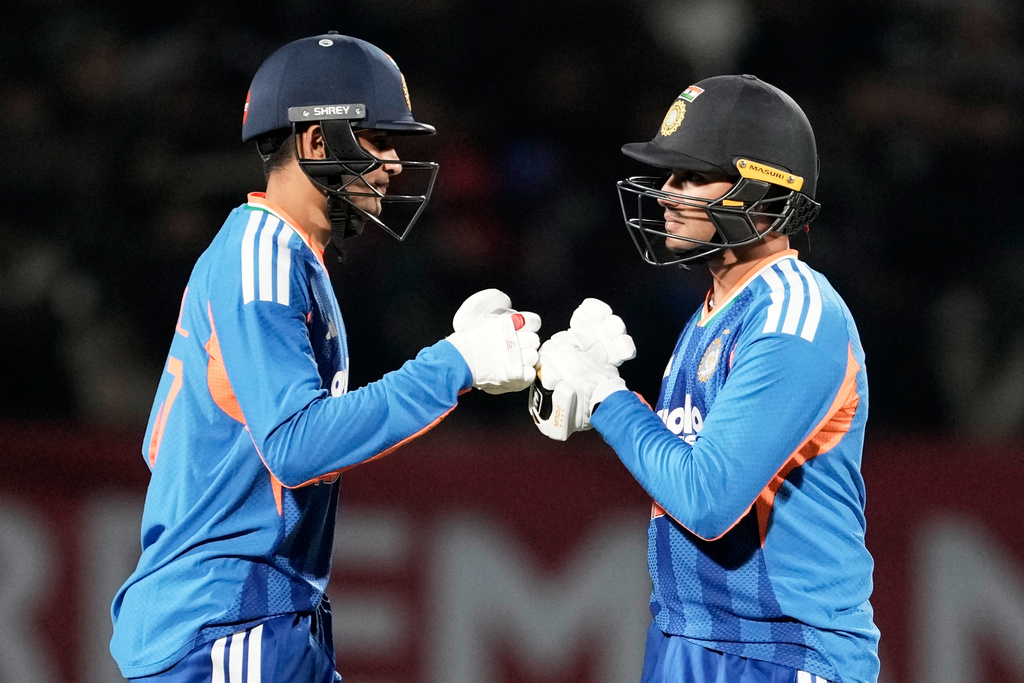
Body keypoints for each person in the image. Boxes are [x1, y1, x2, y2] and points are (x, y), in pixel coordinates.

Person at [110, 32, 541, 682]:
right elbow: (295, 445)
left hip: (251, 618)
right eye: (378, 139)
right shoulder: (262, 258)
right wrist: (454, 363)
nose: (394, 164)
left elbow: (166, 446)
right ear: (316, 141)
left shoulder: (280, 255)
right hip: (229, 626)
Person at [529, 74, 880, 682]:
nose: (667, 192)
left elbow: (707, 499)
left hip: (781, 653)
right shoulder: (716, 310)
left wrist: (608, 397)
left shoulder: (797, 315)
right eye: (670, 175)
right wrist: (596, 395)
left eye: (692, 176)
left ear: (762, 189)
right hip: (690, 636)